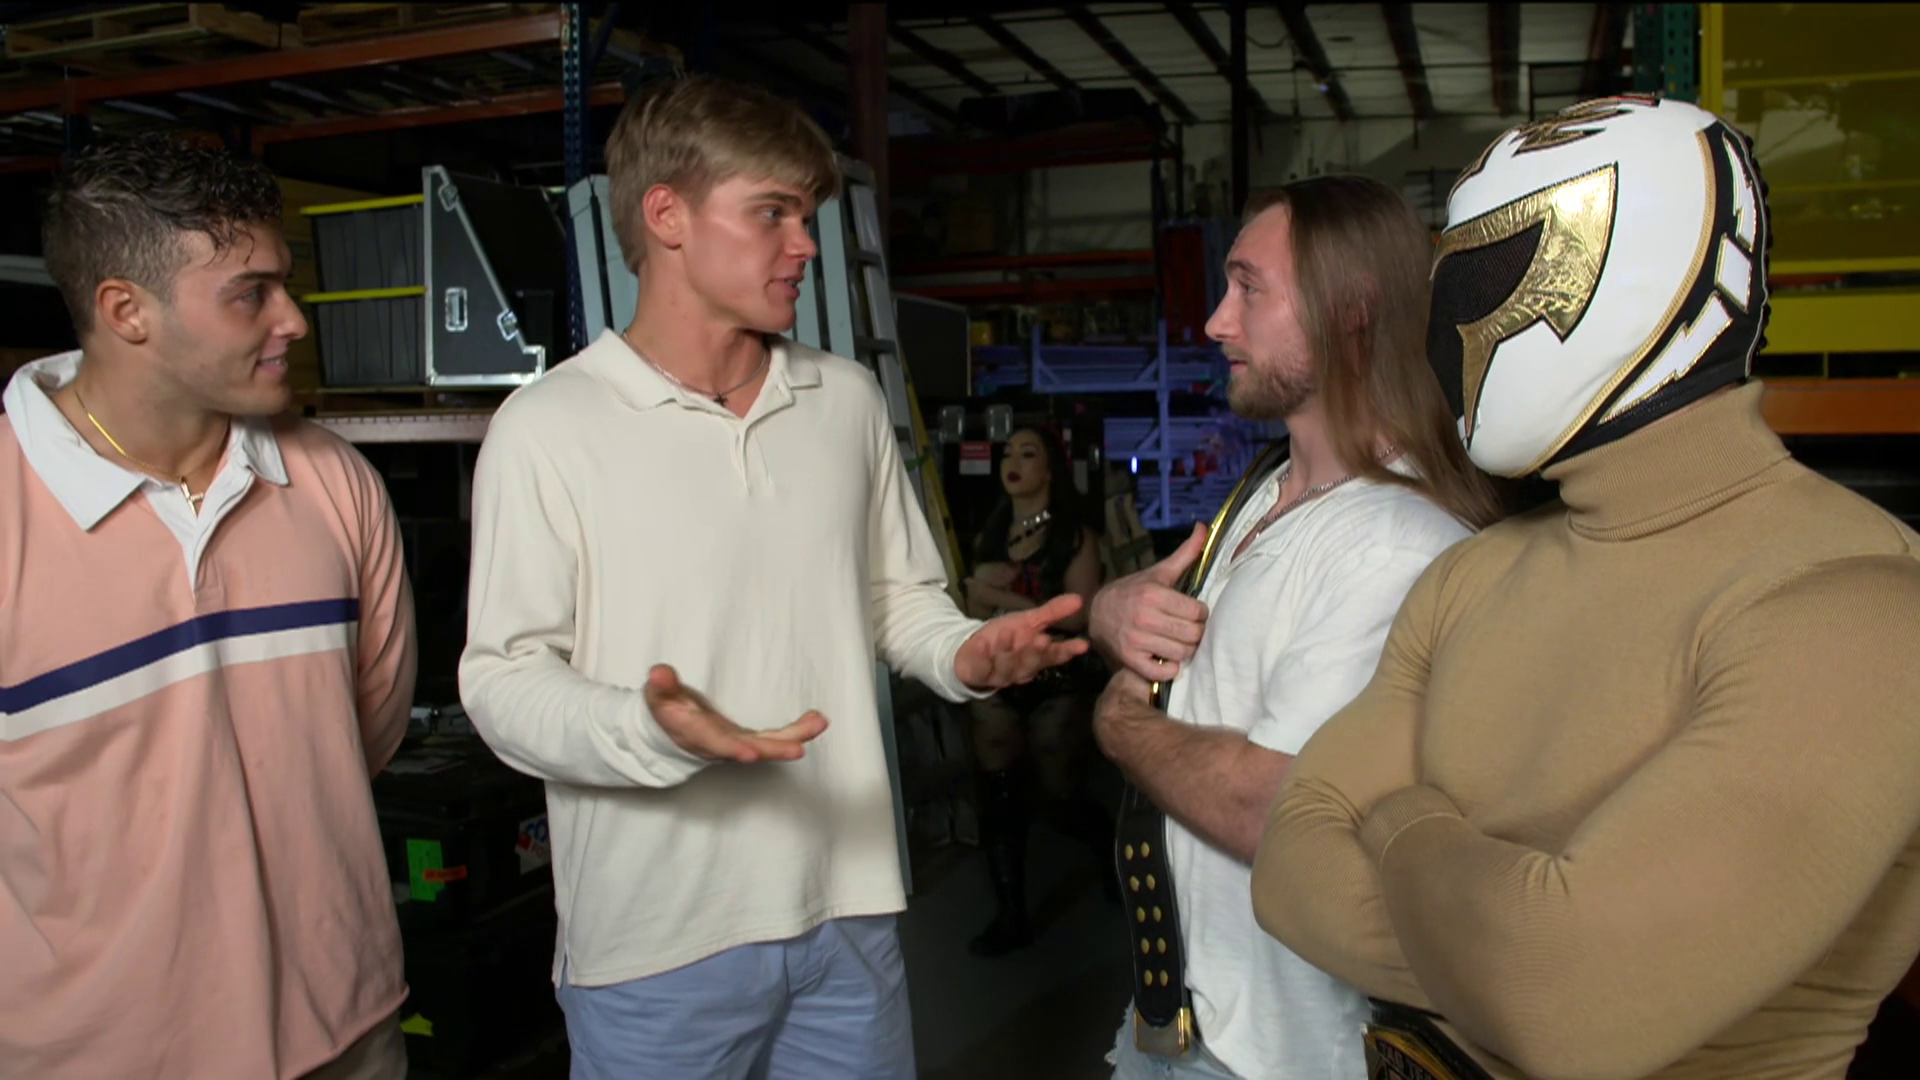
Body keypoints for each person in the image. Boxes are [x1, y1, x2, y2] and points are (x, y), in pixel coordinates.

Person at [1252, 95, 1920, 1080]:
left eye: (1491, 271)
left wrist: (1401, 819)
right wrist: (1498, 925)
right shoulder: (1474, 573)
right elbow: (1288, 873)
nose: (1452, 322)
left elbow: (1562, 997)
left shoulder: (1862, 607)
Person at [458, 74, 1086, 1080]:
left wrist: (965, 652)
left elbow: (894, 598)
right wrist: (645, 726)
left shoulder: (843, 400)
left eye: (808, 216)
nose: (804, 244)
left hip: (848, 910)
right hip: (656, 944)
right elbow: (502, 680)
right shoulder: (549, 428)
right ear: (667, 215)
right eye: (772, 214)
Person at [0, 134, 417, 1078]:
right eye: (250, 294)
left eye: (285, 285)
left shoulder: (335, 483)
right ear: (127, 311)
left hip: (345, 1028)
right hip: (98, 1059)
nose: (294, 321)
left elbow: (363, 732)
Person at [1086, 175, 1503, 1079]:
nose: (1215, 323)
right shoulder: (1268, 492)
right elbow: (1204, 672)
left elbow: (1273, 810)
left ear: (1350, 310)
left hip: (1283, 1056)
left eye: (1249, 288)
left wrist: (1120, 722)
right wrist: (1111, 613)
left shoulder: (1396, 541)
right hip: (1194, 1021)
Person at [960, 425, 1113, 956]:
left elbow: (1080, 616)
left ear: (1050, 470)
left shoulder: (1074, 536)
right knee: (998, 786)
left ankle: (1109, 847)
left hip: (1057, 674)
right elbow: (973, 613)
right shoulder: (990, 533)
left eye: (1028, 454)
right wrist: (980, 596)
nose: (1014, 462)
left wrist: (1002, 597)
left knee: (1058, 792)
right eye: (1008, 453)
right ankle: (1011, 915)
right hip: (1001, 672)